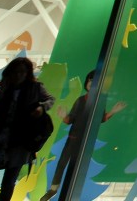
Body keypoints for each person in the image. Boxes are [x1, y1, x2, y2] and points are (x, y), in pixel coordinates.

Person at [0, 55, 55, 201]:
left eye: (22, 72)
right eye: (16, 72)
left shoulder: (34, 88)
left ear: (28, 73)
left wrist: (41, 107)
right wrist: (0, 93)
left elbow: (50, 99)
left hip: (19, 142)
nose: (19, 75)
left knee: (8, 183)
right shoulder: (5, 89)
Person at [43, 69, 126, 201]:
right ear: (86, 83)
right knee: (62, 163)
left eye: (95, 82)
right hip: (73, 139)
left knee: (77, 167)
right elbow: (70, 119)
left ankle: (70, 191)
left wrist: (113, 112)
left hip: (86, 141)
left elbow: (101, 119)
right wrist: (64, 116)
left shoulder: (100, 102)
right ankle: (53, 189)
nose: (92, 84)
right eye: (90, 81)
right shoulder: (80, 100)